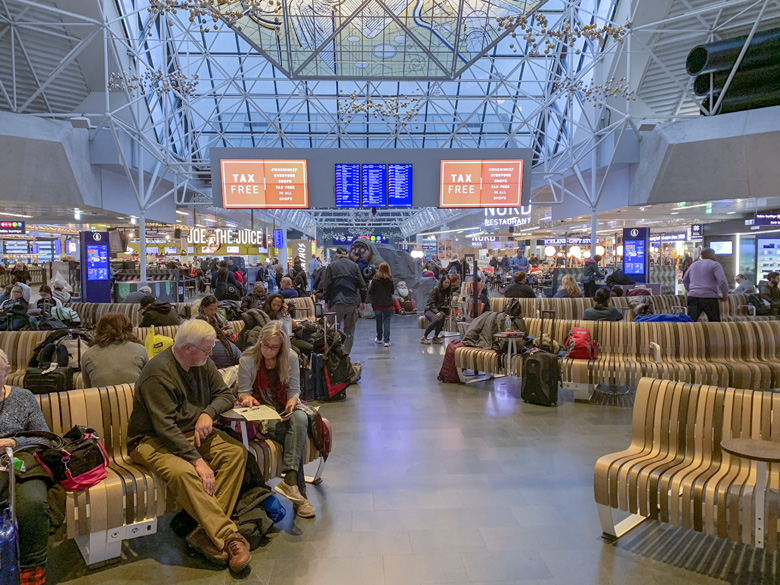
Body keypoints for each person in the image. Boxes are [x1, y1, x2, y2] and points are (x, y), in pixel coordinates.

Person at [127, 319, 251, 572]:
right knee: (184, 472)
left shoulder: (202, 363)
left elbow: (225, 395)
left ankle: (204, 532)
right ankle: (229, 536)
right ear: (186, 348)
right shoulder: (157, 374)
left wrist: (207, 413)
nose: (210, 354)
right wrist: (198, 461)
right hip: (151, 440)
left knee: (235, 453)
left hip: (190, 433)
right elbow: (165, 429)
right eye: (206, 350)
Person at [236, 321, 315, 518]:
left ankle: (290, 482)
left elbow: (294, 390)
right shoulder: (248, 358)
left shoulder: (290, 357)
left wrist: (291, 401)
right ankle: (297, 491)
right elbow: (243, 393)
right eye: (264, 345)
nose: (267, 350)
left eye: (273, 347)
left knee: (299, 417)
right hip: (262, 412)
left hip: (283, 411)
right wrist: (247, 398)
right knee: (294, 434)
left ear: (282, 347)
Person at [0, 349, 57, 585]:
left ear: (7, 370)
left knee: (33, 503)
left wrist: (13, 442)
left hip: (19, 460)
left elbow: (45, 438)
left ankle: (31, 574)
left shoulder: (23, 397)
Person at [81, 313, 148, 388]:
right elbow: (147, 381)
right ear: (128, 329)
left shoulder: (87, 354)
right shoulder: (140, 350)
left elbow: (88, 386)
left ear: (99, 330)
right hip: (134, 397)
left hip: (102, 398)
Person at [321, 247, 366, 354]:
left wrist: (326, 301)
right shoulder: (354, 266)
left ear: (337, 255)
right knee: (349, 331)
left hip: (336, 302)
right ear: (347, 255)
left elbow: (327, 285)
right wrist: (362, 301)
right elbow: (363, 286)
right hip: (351, 303)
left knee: (333, 330)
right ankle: (346, 354)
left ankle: (334, 355)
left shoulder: (332, 266)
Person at [682, 247, 729, 322]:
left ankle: (690, 334)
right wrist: (724, 295)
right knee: (714, 323)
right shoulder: (715, 265)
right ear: (711, 255)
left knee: (691, 322)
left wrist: (690, 291)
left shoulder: (693, 265)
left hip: (693, 297)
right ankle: (713, 334)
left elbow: (685, 280)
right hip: (709, 297)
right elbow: (722, 281)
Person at [196, 295, 242, 368]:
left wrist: (225, 333)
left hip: (224, 341)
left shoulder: (220, 317)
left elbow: (231, 330)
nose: (214, 312)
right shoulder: (197, 321)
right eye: (211, 309)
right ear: (204, 307)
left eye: (216, 309)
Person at [368, 262, 394, 347]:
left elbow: (371, 292)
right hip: (387, 304)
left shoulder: (375, 280)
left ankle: (379, 338)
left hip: (377, 304)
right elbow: (392, 291)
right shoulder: (390, 279)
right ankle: (387, 341)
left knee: (379, 322)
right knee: (387, 322)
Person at [421, 276, 452, 345]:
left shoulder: (448, 292)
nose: (447, 284)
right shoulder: (436, 289)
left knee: (442, 316)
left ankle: (435, 337)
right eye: (445, 282)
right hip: (430, 309)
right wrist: (436, 312)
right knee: (435, 319)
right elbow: (431, 302)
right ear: (442, 282)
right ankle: (424, 336)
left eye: (448, 283)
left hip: (440, 310)